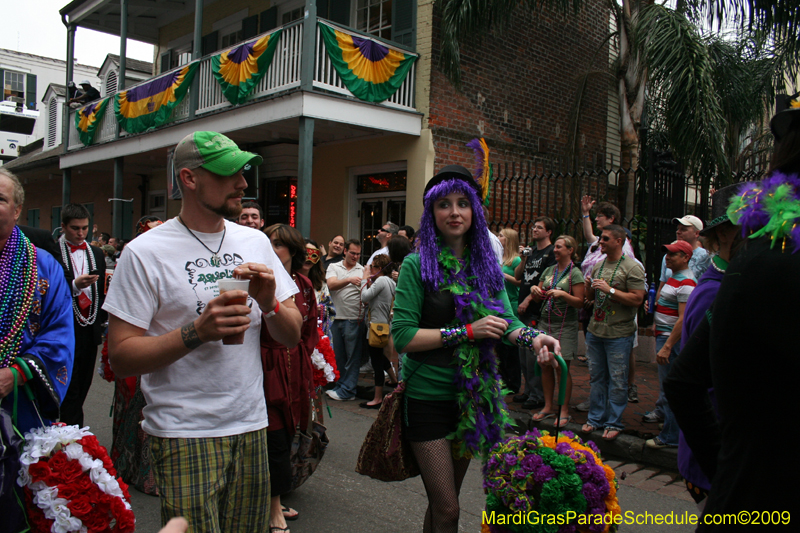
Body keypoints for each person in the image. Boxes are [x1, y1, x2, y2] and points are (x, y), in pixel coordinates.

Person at [104, 131, 302, 532]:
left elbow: (292, 334)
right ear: (189, 178)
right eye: (229, 173)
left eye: (243, 172)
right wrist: (196, 331)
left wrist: (270, 303)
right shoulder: (145, 252)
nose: (243, 184)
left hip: (250, 423)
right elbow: (121, 356)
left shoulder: (255, 242)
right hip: (183, 430)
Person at [391, 164, 561, 532]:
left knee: (443, 503)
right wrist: (467, 331)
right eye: (444, 204)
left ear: (474, 212)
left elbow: (508, 325)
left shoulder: (486, 267)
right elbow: (402, 337)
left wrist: (536, 340)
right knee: (449, 508)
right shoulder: (416, 265)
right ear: (431, 212)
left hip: (471, 400)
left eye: (463, 203)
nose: (454, 212)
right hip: (427, 399)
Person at [0, 170, 74, 533]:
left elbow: (60, 334)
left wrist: (14, 374)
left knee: (15, 500)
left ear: (18, 210)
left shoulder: (43, 266)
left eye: (0, 199)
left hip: (19, 403)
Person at [263, 224, 319, 533]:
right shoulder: (259, 281)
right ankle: (273, 506)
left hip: (294, 365)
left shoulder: (304, 284)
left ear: (292, 250)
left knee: (290, 430)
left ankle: (277, 493)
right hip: (266, 363)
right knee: (272, 432)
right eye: (269, 242)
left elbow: (309, 330)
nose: (272, 248)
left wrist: (303, 362)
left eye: (279, 244)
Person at [109, 216, 163, 496]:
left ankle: (149, 473)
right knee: (132, 411)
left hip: (161, 351)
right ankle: (128, 465)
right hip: (137, 347)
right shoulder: (133, 261)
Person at [582, 224, 646, 441]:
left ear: (619, 241)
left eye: (605, 239)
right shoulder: (598, 265)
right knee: (597, 377)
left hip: (619, 333)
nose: (601, 242)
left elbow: (637, 299)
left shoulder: (632, 267)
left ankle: (613, 421)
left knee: (618, 378)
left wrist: (609, 289)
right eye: (601, 239)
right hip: (595, 330)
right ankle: (595, 418)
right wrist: (590, 286)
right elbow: (590, 298)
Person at [577, 196, 639, 409]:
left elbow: (634, 294)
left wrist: (609, 289)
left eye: (599, 217)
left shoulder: (625, 255)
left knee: (616, 363)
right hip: (595, 310)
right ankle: (597, 404)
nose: (599, 242)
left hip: (615, 315)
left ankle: (614, 413)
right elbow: (590, 237)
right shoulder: (599, 247)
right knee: (597, 364)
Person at [55, 203, 107, 426]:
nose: (80, 233)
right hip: (65, 329)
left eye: (85, 228)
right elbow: (50, 289)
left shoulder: (96, 253)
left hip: (90, 326)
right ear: (63, 227)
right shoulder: (54, 252)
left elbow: (103, 290)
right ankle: (70, 432)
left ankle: (72, 427)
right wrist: (75, 285)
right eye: (75, 228)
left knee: (84, 383)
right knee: (69, 385)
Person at [645, 240, 696, 449]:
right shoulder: (674, 278)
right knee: (667, 387)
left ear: (686, 257)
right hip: (664, 336)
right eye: (667, 253)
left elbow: (683, 319)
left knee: (670, 388)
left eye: (673, 254)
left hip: (670, 341)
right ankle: (670, 427)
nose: (668, 257)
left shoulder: (686, 283)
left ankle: (671, 436)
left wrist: (667, 345)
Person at [532, 235, 584, 428]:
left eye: (559, 247)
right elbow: (538, 295)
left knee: (561, 367)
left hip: (565, 325)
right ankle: (547, 406)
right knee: (545, 364)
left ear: (570, 250)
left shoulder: (575, 273)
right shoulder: (549, 270)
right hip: (546, 323)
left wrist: (563, 294)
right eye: (555, 247)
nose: (555, 250)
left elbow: (580, 302)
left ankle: (563, 410)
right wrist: (535, 292)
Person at [514, 216, 556, 409]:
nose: (535, 230)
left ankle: (537, 395)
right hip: (523, 308)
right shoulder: (532, 252)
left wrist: (528, 299)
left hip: (535, 309)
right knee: (523, 354)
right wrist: (523, 258)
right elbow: (518, 276)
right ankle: (528, 391)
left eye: (539, 227)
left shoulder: (550, 253)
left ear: (549, 232)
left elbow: (547, 281)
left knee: (533, 355)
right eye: (534, 227)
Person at [325, 239, 365, 401]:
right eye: (352, 253)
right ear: (345, 252)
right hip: (335, 318)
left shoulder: (363, 270)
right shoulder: (334, 267)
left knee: (352, 357)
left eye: (358, 254)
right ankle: (341, 386)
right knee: (338, 356)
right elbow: (331, 284)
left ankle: (348, 390)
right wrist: (348, 280)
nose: (355, 256)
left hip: (353, 319)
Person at [359, 254, 396, 409]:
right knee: (380, 356)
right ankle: (394, 381)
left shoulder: (380, 280)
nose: (371, 268)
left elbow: (364, 297)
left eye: (373, 266)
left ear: (379, 268)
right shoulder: (391, 282)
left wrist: (364, 278)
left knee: (376, 362)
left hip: (376, 327)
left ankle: (377, 398)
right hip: (384, 325)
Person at [497, 227, 522, 395]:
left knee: (511, 347)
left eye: (501, 235)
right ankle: (503, 379)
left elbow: (520, 282)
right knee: (500, 347)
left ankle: (514, 382)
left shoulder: (516, 260)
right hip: (498, 303)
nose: (498, 237)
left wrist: (503, 275)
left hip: (511, 302)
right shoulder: (500, 257)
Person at [300, 239, 334, 337]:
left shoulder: (320, 284)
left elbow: (330, 308)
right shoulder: (289, 281)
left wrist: (322, 309)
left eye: (313, 255)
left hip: (314, 333)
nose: (309, 258)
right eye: (305, 254)